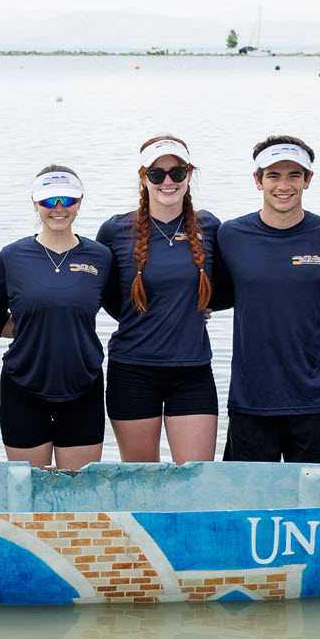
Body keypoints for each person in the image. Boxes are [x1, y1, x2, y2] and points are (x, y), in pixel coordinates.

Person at [209, 136, 320, 462]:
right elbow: (217, 295)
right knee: (247, 507)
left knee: (316, 509)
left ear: (308, 180)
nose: (283, 185)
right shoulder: (230, 235)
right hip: (251, 399)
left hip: (316, 400)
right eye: (273, 175)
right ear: (257, 180)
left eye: (294, 175)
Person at [0, 167, 117, 471]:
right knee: (28, 493)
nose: (58, 208)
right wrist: (33, 330)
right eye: (48, 201)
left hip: (83, 384)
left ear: (80, 201)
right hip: (23, 386)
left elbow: (123, 308)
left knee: (77, 494)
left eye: (67, 200)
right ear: (34, 203)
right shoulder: (12, 256)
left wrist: (196, 307)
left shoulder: (101, 257)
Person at [96, 136, 219, 463]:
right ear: (143, 176)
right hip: (133, 370)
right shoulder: (116, 230)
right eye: (157, 173)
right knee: (141, 483)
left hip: (192, 370)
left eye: (177, 173)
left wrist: (192, 306)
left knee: (197, 479)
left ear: (189, 175)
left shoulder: (210, 226)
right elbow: (109, 298)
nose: (168, 181)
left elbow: (224, 288)